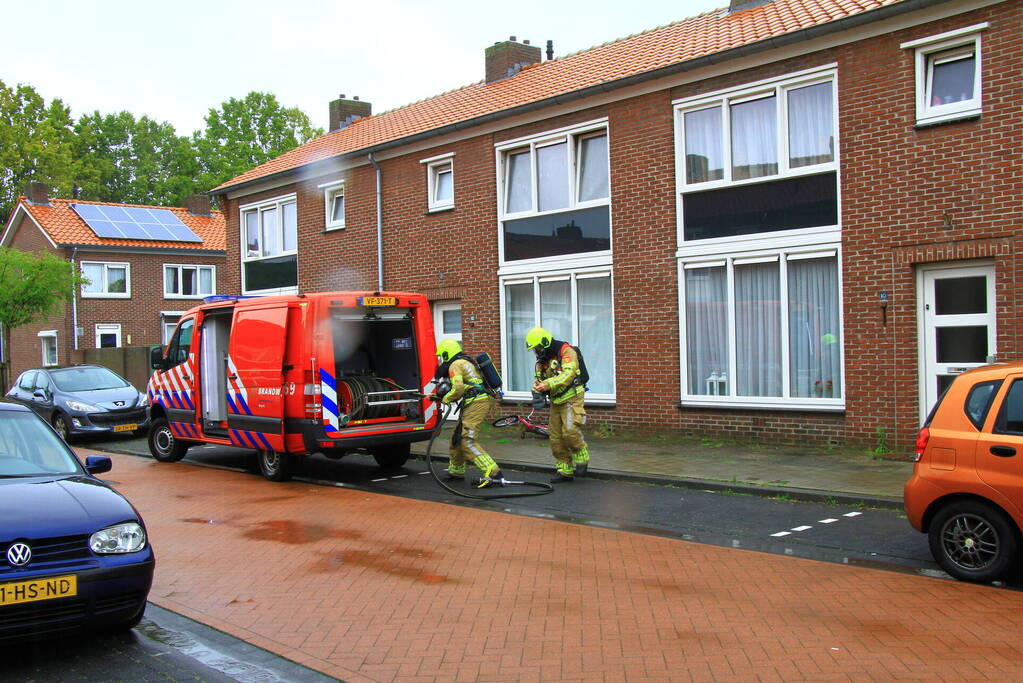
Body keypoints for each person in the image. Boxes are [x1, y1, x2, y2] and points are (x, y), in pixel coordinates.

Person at [433, 338, 503, 488]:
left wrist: (445, 399)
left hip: (476, 403)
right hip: (474, 402)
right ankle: (456, 470)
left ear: (446, 354)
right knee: (457, 437)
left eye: (441, 356)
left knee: (467, 440)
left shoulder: (455, 365)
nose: (440, 360)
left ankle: (493, 472)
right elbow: (462, 386)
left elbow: (458, 388)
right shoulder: (465, 361)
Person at [525, 327, 588, 482]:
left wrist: (547, 384)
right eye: (534, 350)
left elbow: (568, 374)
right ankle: (564, 470)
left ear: (545, 343)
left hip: (572, 397)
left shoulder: (566, 351)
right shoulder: (541, 362)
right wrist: (536, 388)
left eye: (538, 348)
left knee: (570, 431)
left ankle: (581, 454)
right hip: (556, 401)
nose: (536, 353)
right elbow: (538, 379)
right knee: (555, 437)